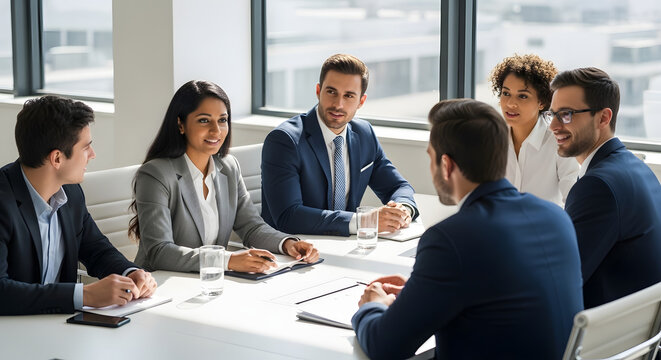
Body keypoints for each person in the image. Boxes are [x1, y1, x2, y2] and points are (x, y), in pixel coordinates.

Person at [351, 99, 583, 359]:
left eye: (431, 158)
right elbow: (502, 295)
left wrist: (372, 306)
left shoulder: (450, 239)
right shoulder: (556, 218)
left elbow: (385, 347)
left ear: (447, 165)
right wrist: (422, 291)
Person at [130, 80, 318, 274]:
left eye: (222, 120)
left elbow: (251, 227)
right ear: (181, 124)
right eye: (204, 120)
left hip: (210, 282)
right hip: (160, 284)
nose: (216, 130)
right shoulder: (155, 174)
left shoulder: (229, 166)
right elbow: (159, 251)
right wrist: (227, 260)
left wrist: (287, 244)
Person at [0, 96, 157, 315]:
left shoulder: (70, 193)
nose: (92, 155)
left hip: (59, 326)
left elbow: (96, 249)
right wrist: (85, 295)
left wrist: (130, 272)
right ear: (57, 158)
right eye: (86, 148)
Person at [261, 54, 418, 236]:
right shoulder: (285, 140)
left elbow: (399, 187)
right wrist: (365, 221)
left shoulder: (364, 133)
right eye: (331, 92)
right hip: (292, 250)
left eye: (349, 96)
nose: (338, 104)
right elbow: (288, 216)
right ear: (319, 91)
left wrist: (403, 210)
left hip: (345, 247)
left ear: (361, 101)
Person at [547, 67, 661, 308]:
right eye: (552, 114)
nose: (553, 126)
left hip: (596, 334)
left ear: (603, 118)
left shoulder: (597, 186)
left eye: (566, 114)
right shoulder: (638, 169)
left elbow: (560, 280)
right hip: (630, 332)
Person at [489, 53, 578, 205]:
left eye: (522, 96)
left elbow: (573, 201)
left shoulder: (560, 141)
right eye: (506, 93)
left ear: (542, 102)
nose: (510, 103)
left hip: (544, 228)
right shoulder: (490, 139)